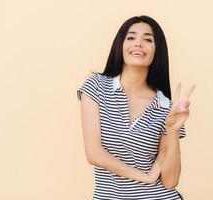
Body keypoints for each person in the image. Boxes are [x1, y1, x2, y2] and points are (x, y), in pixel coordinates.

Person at [77, 15, 195, 200]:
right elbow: (94, 154)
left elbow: (170, 181)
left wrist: (172, 130)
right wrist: (146, 178)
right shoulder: (96, 87)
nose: (138, 43)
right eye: (131, 37)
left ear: (157, 51)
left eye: (148, 39)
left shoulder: (167, 108)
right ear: (120, 46)